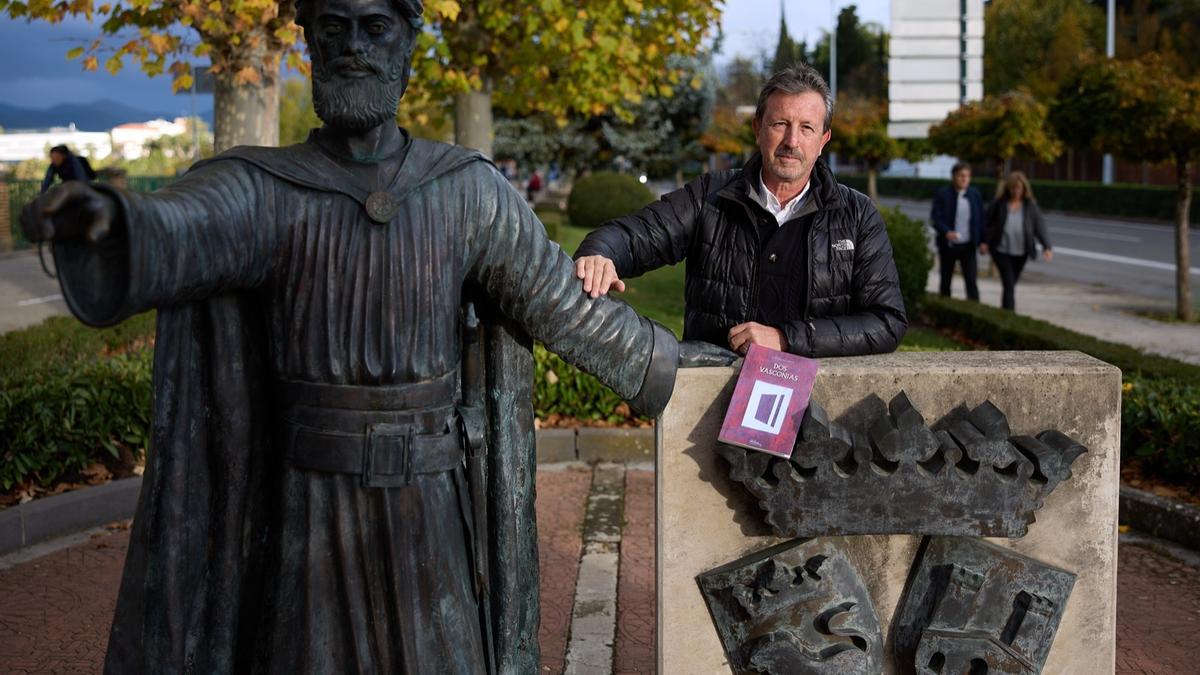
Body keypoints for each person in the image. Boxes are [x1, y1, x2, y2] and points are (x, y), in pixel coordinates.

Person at [20, 0, 729, 671]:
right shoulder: (267, 190)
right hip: (310, 507)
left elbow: (561, 308)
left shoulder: (465, 190)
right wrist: (111, 222)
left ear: (408, 44)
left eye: (374, 27)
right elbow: (179, 228)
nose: (352, 47)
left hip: (429, 503)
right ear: (308, 43)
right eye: (332, 27)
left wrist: (679, 369)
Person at [574, 65, 907, 357]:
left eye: (807, 128)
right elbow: (635, 236)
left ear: (823, 140)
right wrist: (599, 253)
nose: (792, 140)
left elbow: (886, 321)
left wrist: (787, 338)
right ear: (757, 129)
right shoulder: (711, 196)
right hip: (714, 396)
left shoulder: (857, 215)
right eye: (780, 123)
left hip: (815, 404)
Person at [981, 171, 1053, 311]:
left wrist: (1047, 246)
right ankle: (1009, 314)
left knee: (1011, 284)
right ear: (1008, 188)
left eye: (1019, 188)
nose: (1016, 191)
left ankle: (1004, 312)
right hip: (1001, 250)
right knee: (1008, 283)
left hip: (1021, 251)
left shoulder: (1030, 205)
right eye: (1013, 188)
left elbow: (1039, 226)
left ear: (1024, 189)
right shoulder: (999, 204)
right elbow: (987, 222)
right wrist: (984, 241)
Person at [929, 162, 984, 301]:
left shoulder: (974, 195)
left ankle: (974, 311)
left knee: (971, 281)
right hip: (948, 245)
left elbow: (981, 220)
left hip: (968, 245)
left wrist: (983, 241)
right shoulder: (943, 194)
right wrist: (946, 232)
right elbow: (935, 218)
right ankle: (944, 310)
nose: (964, 179)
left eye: (967, 176)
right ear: (954, 177)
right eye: (961, 176)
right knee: (946, 280)